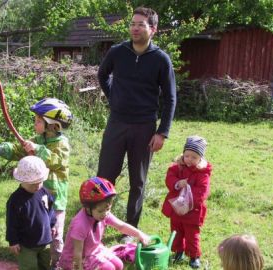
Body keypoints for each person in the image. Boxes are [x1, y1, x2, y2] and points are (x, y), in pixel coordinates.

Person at [97, 6, 177, 242]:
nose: (134, 28)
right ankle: (97, 221)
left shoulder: (161, 59)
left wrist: (162, 132)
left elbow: (170, 97)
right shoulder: (117, 52)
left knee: (137, 181)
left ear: (153, 29)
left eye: (140, 24)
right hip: (117, 123)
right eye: (132, 23)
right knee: (105, 176)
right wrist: (114, 98)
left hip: (144, 126)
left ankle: (129, 231)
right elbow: (103, 75)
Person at [0, 97, 73, 267]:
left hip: (55, 198)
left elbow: (57, 161)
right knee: (35, 226)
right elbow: (18, 149)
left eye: (38, 121)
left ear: (52, 125)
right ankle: (32, 252)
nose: (35, 124)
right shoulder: (37, 140)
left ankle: (56, 263)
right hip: (34, 195)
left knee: (56, 235)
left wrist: (38, 150)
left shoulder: (62, 144)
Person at [57, 177, 151, 270]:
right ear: (88, 208)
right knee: (108, 268)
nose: (105, 214)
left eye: (108, 209)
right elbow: (77, 255)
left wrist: (140, 234)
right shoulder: (80, 224)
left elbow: (121, 226)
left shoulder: (103, 214)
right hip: (76, 260)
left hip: (94, 250)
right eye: (100, 211)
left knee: (119, 265)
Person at [161, 135, 212, 268]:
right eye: (187, 155)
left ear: (200, 158)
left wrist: (189, 203)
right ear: (183, 154)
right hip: (176, 208)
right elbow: (169, 178)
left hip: (192, 210)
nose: (189, 159)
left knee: (192, 235)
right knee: (176, 231)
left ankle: (194, 256)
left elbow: (202, 191)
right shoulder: (178, 167)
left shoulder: (202, 173)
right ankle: (178, 251)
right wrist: (177, 183)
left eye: (194, 157)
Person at [6, 156, 56, 270]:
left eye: (40, 182)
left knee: (45, 265)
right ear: (22, 180)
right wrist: (13, 241)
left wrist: (52, 224)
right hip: (26, 245)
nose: (37, 186)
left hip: (45, 241)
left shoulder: (43, 192)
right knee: (29, 267)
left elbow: (50, 209)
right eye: (33, 183)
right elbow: (11, 222)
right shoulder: (16, 200)